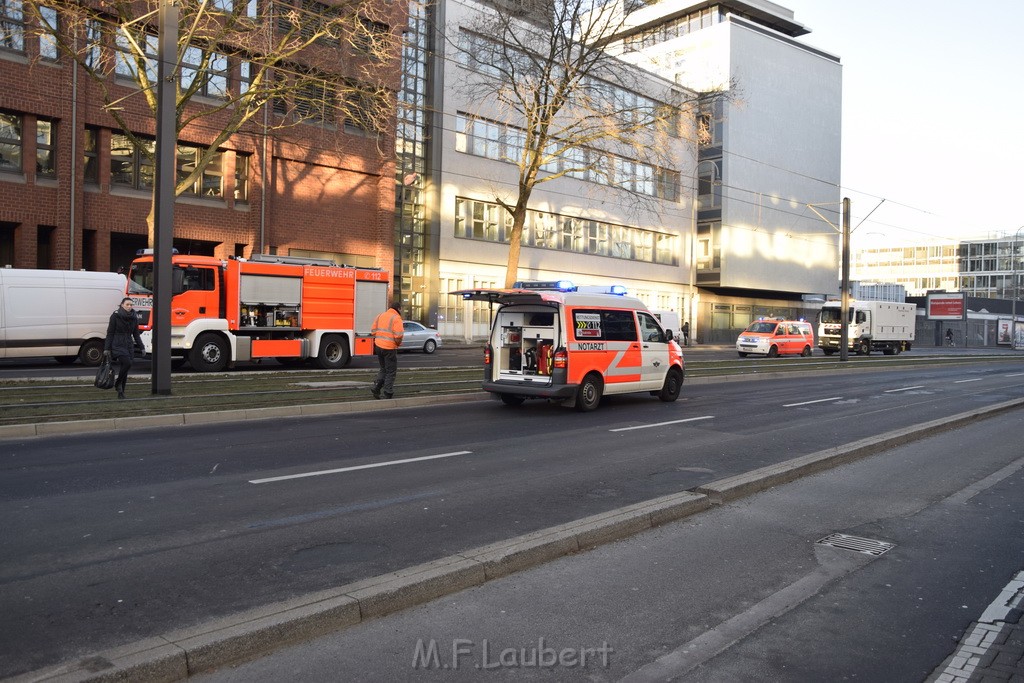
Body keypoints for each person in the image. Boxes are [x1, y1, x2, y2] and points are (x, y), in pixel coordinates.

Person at [104, 297, 144, 400]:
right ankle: (117, 383)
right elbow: (110, 333)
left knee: (125, 369)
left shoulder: (134, 317)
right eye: (127, 304)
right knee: (127, 363)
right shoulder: (115, 316)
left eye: (131, 305)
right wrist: (107, 348)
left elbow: (136, 334)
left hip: (128, 345)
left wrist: (141, 347)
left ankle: (121, 393)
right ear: (122, 305)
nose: (129, 306)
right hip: (117, 344)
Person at [370, 301, 404, 399]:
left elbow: (373, 331)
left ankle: (376, 387)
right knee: (391, 371)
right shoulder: (397, 318)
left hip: (378, 346)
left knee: (383, 369)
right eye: (401, 309)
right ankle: (388, 392)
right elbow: (398, 336)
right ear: (398, 308)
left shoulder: (380, 315)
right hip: (389, 348)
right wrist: (397, 344)